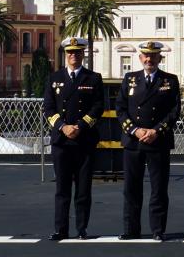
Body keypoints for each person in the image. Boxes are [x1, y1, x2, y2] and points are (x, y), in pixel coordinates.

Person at [116, 41, 181, 241]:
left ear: (160, 58)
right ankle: (131, 229)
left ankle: (157, 230)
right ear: (140, 58)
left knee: (159, 188)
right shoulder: (130, 78)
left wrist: (156, 131)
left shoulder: (169, 80)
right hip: (134, 141)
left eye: (153, 56)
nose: (149, 59)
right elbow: (120, 108)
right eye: (145, 55)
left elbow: (174, 111)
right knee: (131, 188)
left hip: (158, 141)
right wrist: (135, 130)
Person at [43, 37, 104, 241]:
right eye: (70, 52)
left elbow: (98, 107)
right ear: (65, 55)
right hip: (61, 141)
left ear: (83, 55)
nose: (73, 56)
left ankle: (81, 229)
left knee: (83, 188)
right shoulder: (54, 78)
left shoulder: (93, 78)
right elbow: (48, 108)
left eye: (77, 53)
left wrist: (80, 126)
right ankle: (60, 229)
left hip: (84, 140)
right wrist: (63, 126)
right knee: (62, 189)